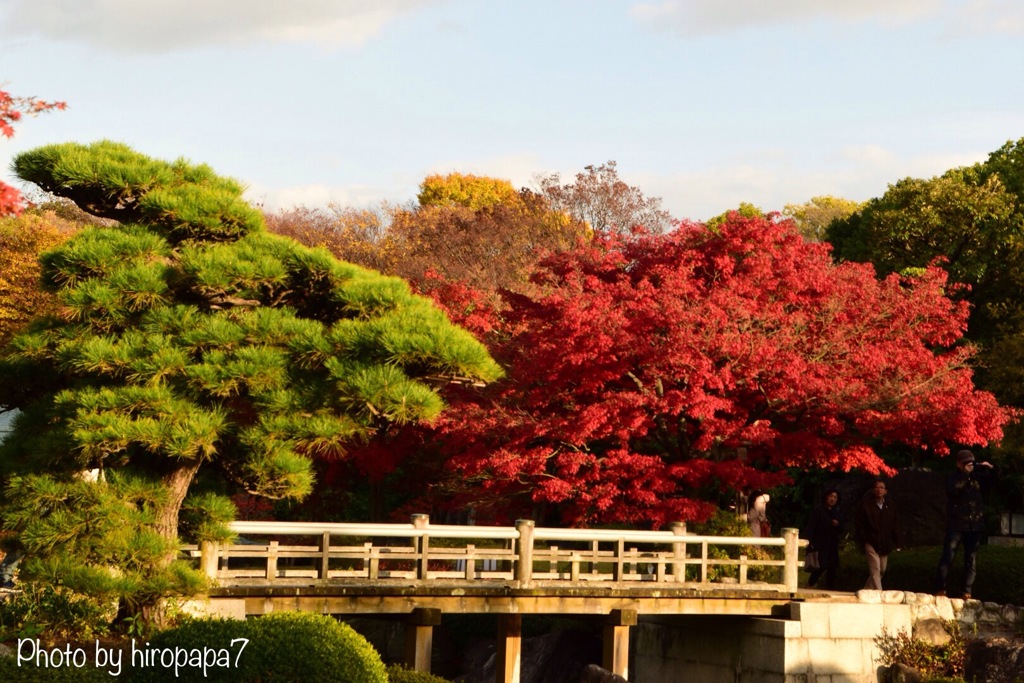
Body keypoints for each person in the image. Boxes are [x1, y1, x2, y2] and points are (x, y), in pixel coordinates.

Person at [934, 449, 998, 600]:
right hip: (956, 524)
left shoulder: (977, 477)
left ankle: (966, 591)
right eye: (966, 463)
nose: (970, 465)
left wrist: (991, 469)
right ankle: (940, 588)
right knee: (948, 556)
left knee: (971, 560)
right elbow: (953, 490)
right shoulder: (953, 477)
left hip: (974, 525)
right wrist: (965, 474)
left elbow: (995, 482)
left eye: (971, 462)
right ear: (959, 464)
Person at [854, 478, 903, 590]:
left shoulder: (890, 506)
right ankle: (879, 594)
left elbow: (895, 524)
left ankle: (866, 591)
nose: (879, 489)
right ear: (872, 490)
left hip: (885, 543)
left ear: (886, 491)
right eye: (877, 487)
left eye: (881, 487)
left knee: (882, 569)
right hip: (870, 541)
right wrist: (864, 537)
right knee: (875, 568)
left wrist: (898, 542)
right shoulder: (866, 505)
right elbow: (859, 523)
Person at [805, 488, 843, 589]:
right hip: (820, 543)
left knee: (832, 567)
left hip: (832, 544)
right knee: (821, 565)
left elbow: (841, 528)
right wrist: (809, 542)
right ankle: (810, 584)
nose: (832, 499)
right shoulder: (819, 510)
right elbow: (811, 526)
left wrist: (838, 524)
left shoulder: (837, 512)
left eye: (835, 497)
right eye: (830, 496)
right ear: (826, 497)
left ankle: (830, 589)